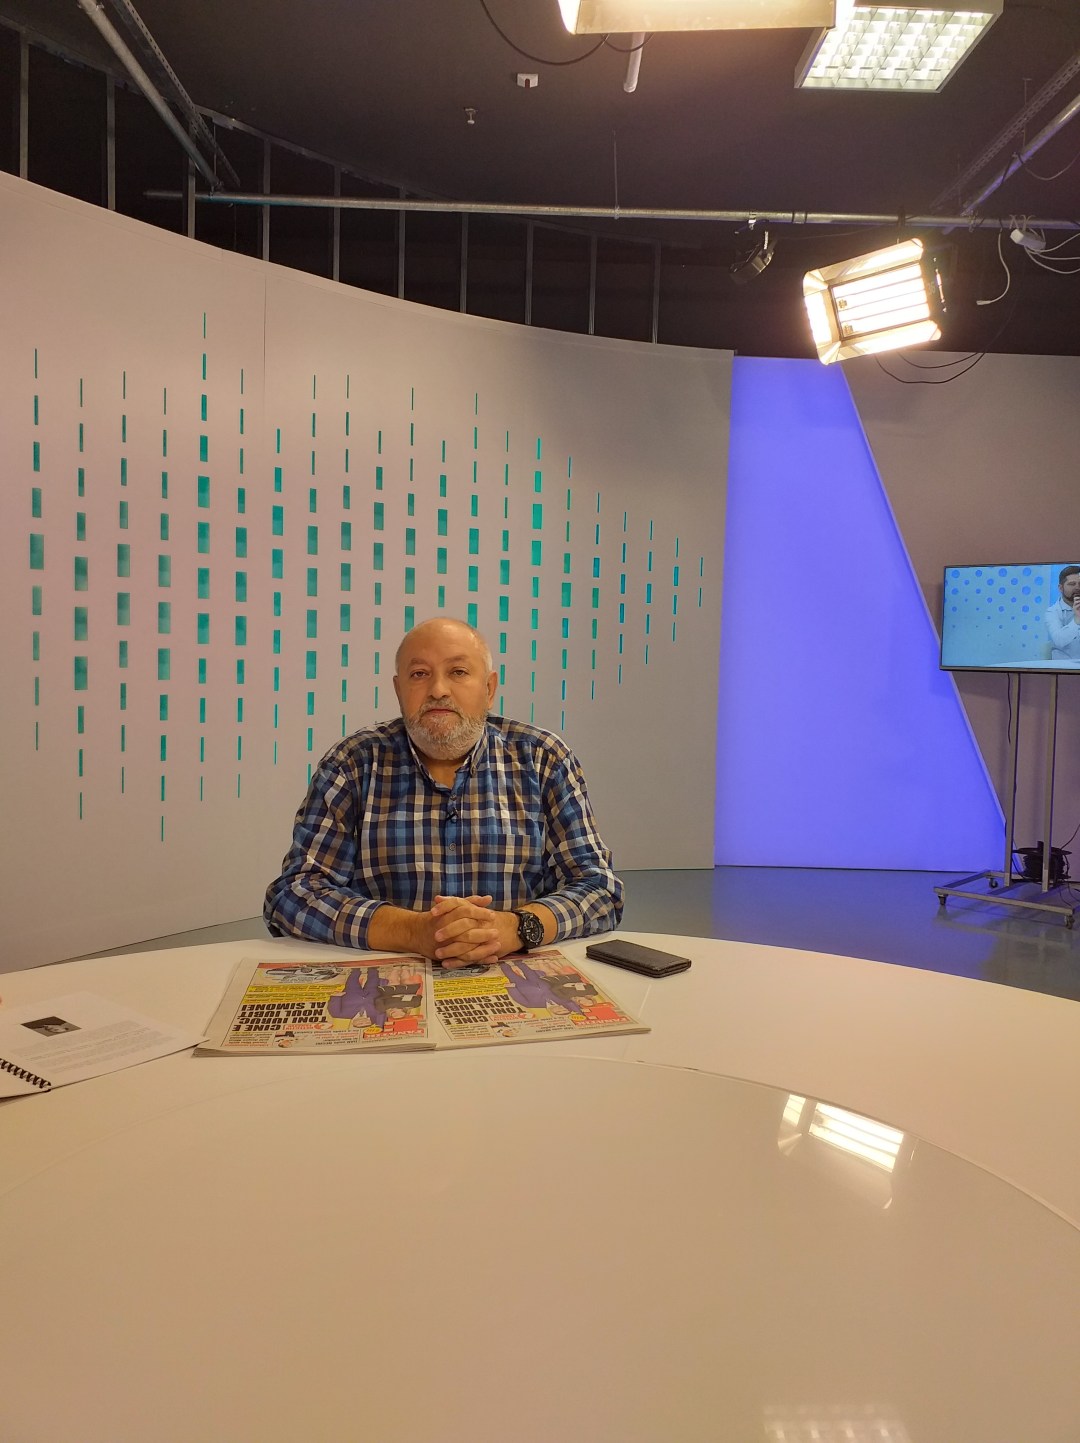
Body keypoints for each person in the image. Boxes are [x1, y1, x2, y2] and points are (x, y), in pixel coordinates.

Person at [264, 616, 622, 966]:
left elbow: (598, 888)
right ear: (399, 690)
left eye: (458, 672)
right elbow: (294, 894)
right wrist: (413, 932)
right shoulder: (352, 764)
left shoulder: (544, 759)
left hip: (517, 974)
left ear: (489, 689)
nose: (438, 689)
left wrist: (514, 928)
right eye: (419, 674)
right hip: (387, 984)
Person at [1045, 565, 1080, 662]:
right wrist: (1077, 620)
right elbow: (1059, 641)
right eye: (1072, 584)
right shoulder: (1052, 612)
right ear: (1061, 588)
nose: (1077, 588)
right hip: (1064, 666)